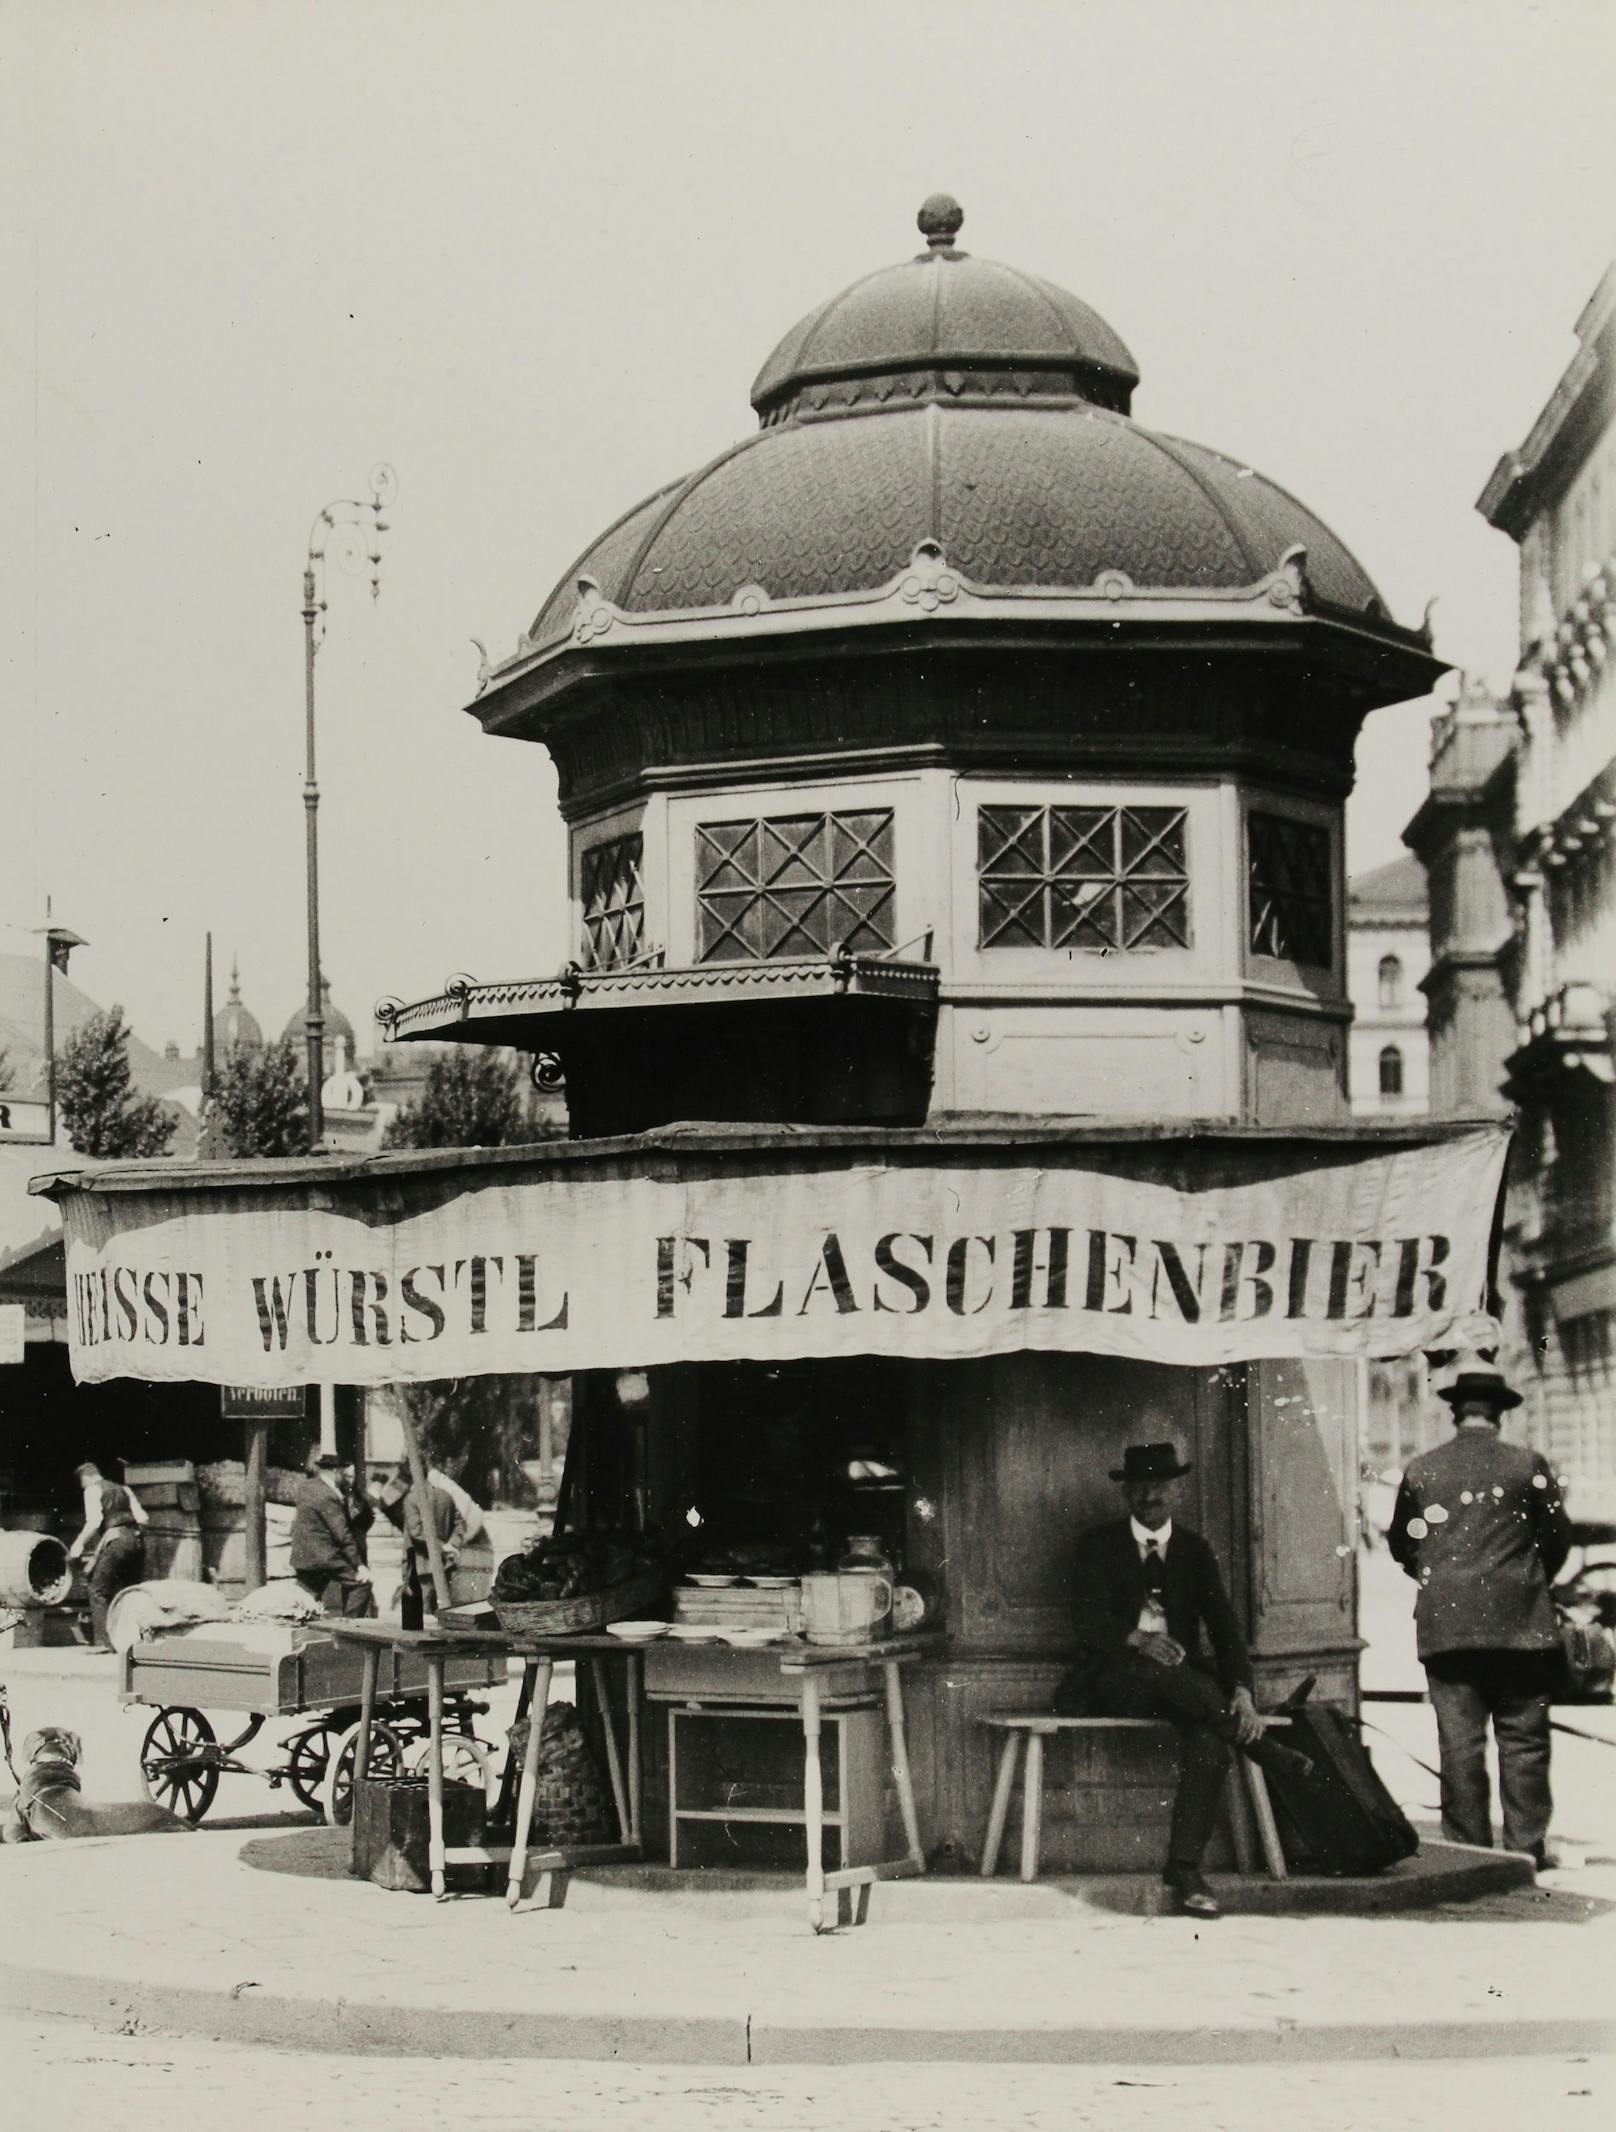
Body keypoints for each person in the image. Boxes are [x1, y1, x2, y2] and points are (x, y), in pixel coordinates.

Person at [1064, 1438, 1312, 1919]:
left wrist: (1241, 1690)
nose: (1149, 1498)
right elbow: (1086, 1620)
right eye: (1139, 1488)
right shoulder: (1098, 1545)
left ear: (1176, 1490)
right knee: (1167, 1674)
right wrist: (1139, 1640)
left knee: (1212, 1739)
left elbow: (1223, 1626)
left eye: (1158, 1487)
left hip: (1187, 1692)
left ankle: (1184, 1869)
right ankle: (1262, 1749)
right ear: (1125, 1494)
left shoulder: (1194, 1550)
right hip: (1115, 1681)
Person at [1387, 1358, 1570, 1868]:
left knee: (1460, 1744)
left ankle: (1469, 1852)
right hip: (1521, 1627)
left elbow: (1403, 1543)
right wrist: (1527, 1580)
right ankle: (1525, 1850)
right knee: (1524, 1741)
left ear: (1455, 1414)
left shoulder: (1423, 1469)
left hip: (1448, 1625)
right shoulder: (1527, 1465)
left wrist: (1442, 1577)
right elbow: (1556, 1540)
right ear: (1499, 1414)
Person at [66, 1461, 147, 1649]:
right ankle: (133, 1640)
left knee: (97, 1589)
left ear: (85, 1477)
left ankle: (103, 1643)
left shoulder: (92, 1490)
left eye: (81, 1483)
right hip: (137, 1542)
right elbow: (144, 1519)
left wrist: (78, 1544)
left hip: (118, 1542)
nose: (82, 1487)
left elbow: (94, 1521)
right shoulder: (124, 1490)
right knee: (128, 1592)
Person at [289, 1452, 376, 1617]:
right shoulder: (328, 1496)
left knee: (307, 1596)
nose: (345, 1479)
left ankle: (301, 1627)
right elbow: (342, 1534)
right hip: (324, 1557)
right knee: (362, 1584)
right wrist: (359, 1565)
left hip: (304, 1557)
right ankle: (350, 1630)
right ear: (335, 1472)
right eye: (344, 1474)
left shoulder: (306, 1487)